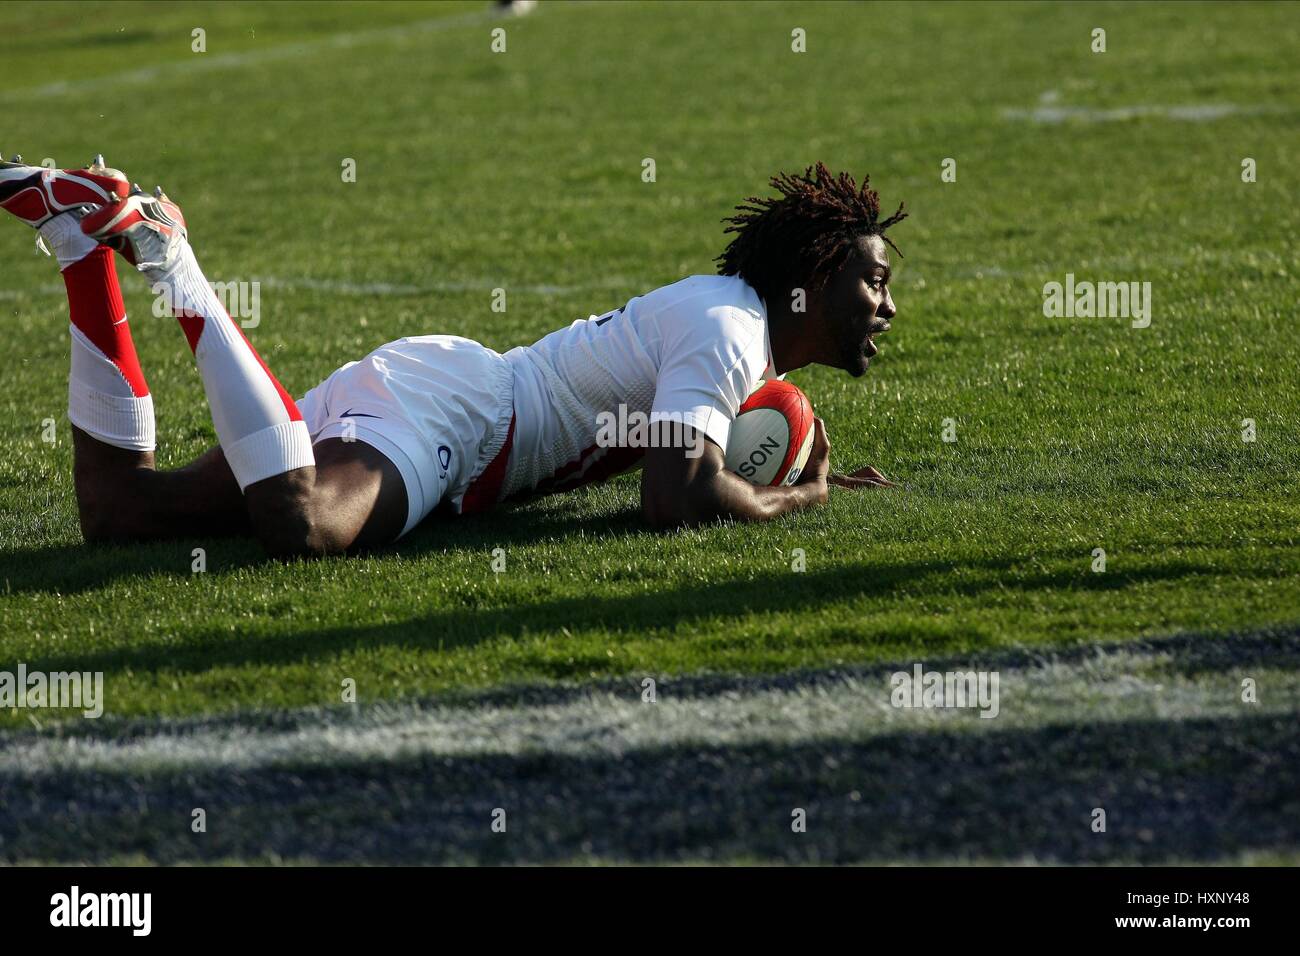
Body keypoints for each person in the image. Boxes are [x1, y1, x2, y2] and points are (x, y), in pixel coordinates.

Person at [1, 156, 902, 557]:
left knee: (123, 513)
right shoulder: (733, 327)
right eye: (874, 281)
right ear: (817, 275)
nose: (887, 307)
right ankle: (170, 255)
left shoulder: (740, 333)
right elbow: (676, 501)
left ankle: (80, 239)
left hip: (446, 389)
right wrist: (799, 495)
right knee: (304, 524)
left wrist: (790, 465)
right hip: (467, 418)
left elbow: (703, 465)